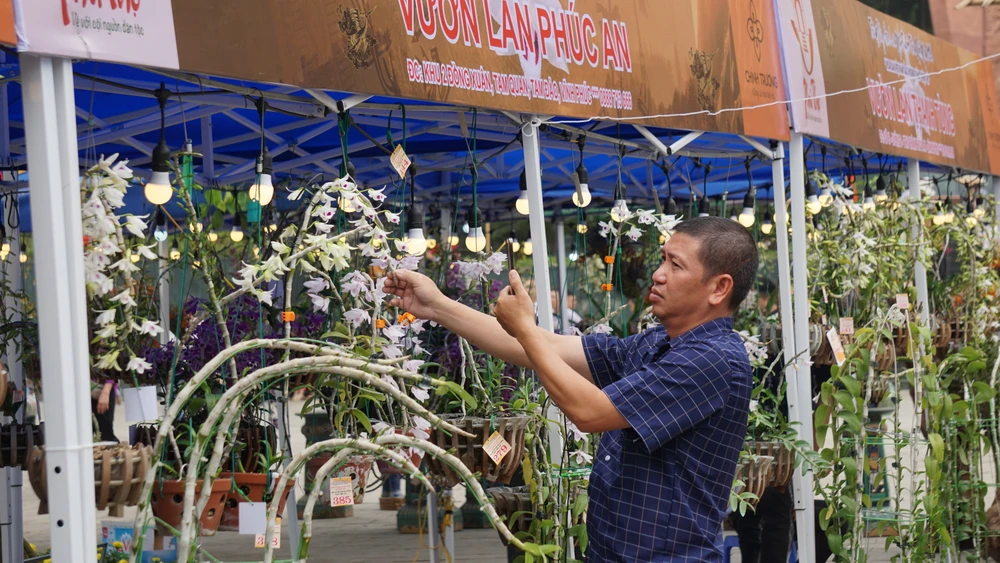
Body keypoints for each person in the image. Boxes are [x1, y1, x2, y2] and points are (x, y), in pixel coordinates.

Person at [386, 216, 758, 561]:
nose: (658, 274)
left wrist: (527, 330)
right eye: (662, 260)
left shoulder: (713, 360)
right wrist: (436, 306)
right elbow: (543, 349)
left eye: (675, 265)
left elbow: (590, 411)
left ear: (719, 287)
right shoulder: (658, 343)